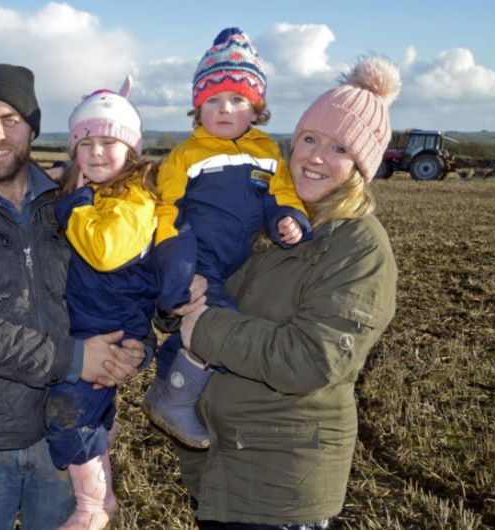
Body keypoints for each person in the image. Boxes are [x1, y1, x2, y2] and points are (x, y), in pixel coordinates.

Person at [0, 64, 146, 530]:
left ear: (32, 128)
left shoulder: (73, 205)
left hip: (64, 442)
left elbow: (126, 285)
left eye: (10, 119)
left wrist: (137, 349)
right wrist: (76, 358)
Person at [171, 56, 400, 528]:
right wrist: (179, 294)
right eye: (309, 139)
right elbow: (213, 290)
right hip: (223, 471)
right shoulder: (274, 221)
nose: (315, 156)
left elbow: (311, 359)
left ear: (361, 167)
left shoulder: (358, 244)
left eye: (339, 148)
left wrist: (202, 325)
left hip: (282, 484)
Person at [142, 27, 312, 448]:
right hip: (197, 257)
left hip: (237, 262)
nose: (224, 108)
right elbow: (167, 210)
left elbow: (281, 195)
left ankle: (170, 376)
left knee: (214, 324)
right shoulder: (186, 155)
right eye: (212, 100)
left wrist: (289, 219)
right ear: (197, 108)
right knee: (216, 323)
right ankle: (174, 404)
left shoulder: (268, 152)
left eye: (237, 99)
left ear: (256, 109)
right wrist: (177, 270)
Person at [46, 76, 160, 530]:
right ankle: (102, 493)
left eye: (108, 142)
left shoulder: (133, 198)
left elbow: (106, 250)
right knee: (88, 414)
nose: (96, 152)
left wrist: (73, 201)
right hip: (93, 323)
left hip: (109, 329)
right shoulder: (103, 191)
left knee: (67, 416)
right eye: (85, 143)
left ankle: (93, 506)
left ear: (131, 149)